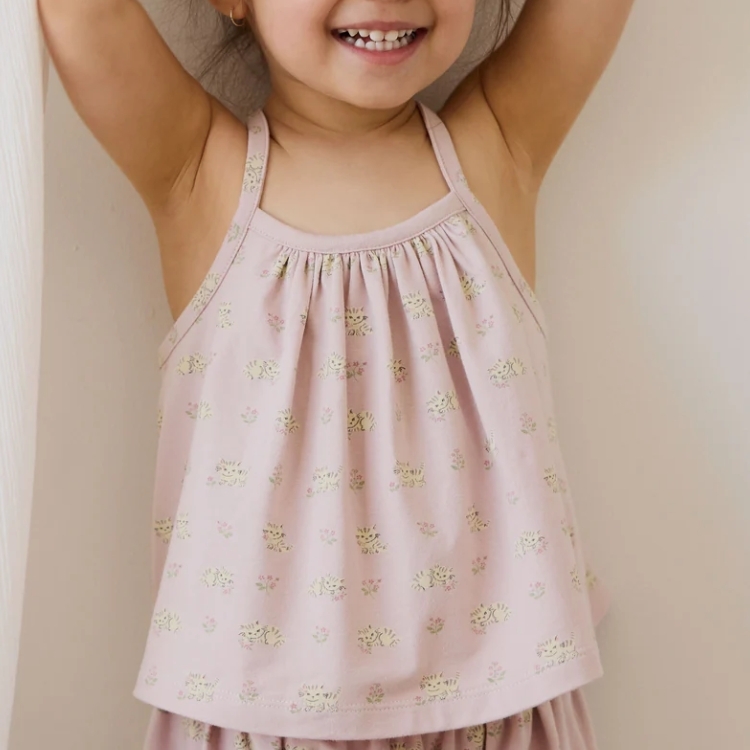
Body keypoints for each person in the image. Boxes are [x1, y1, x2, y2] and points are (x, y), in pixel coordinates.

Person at [39, 0, 633, 747]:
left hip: (496, 698)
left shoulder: (497, 147)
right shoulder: (200, 176)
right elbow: (86, 17)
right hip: (260, 710)